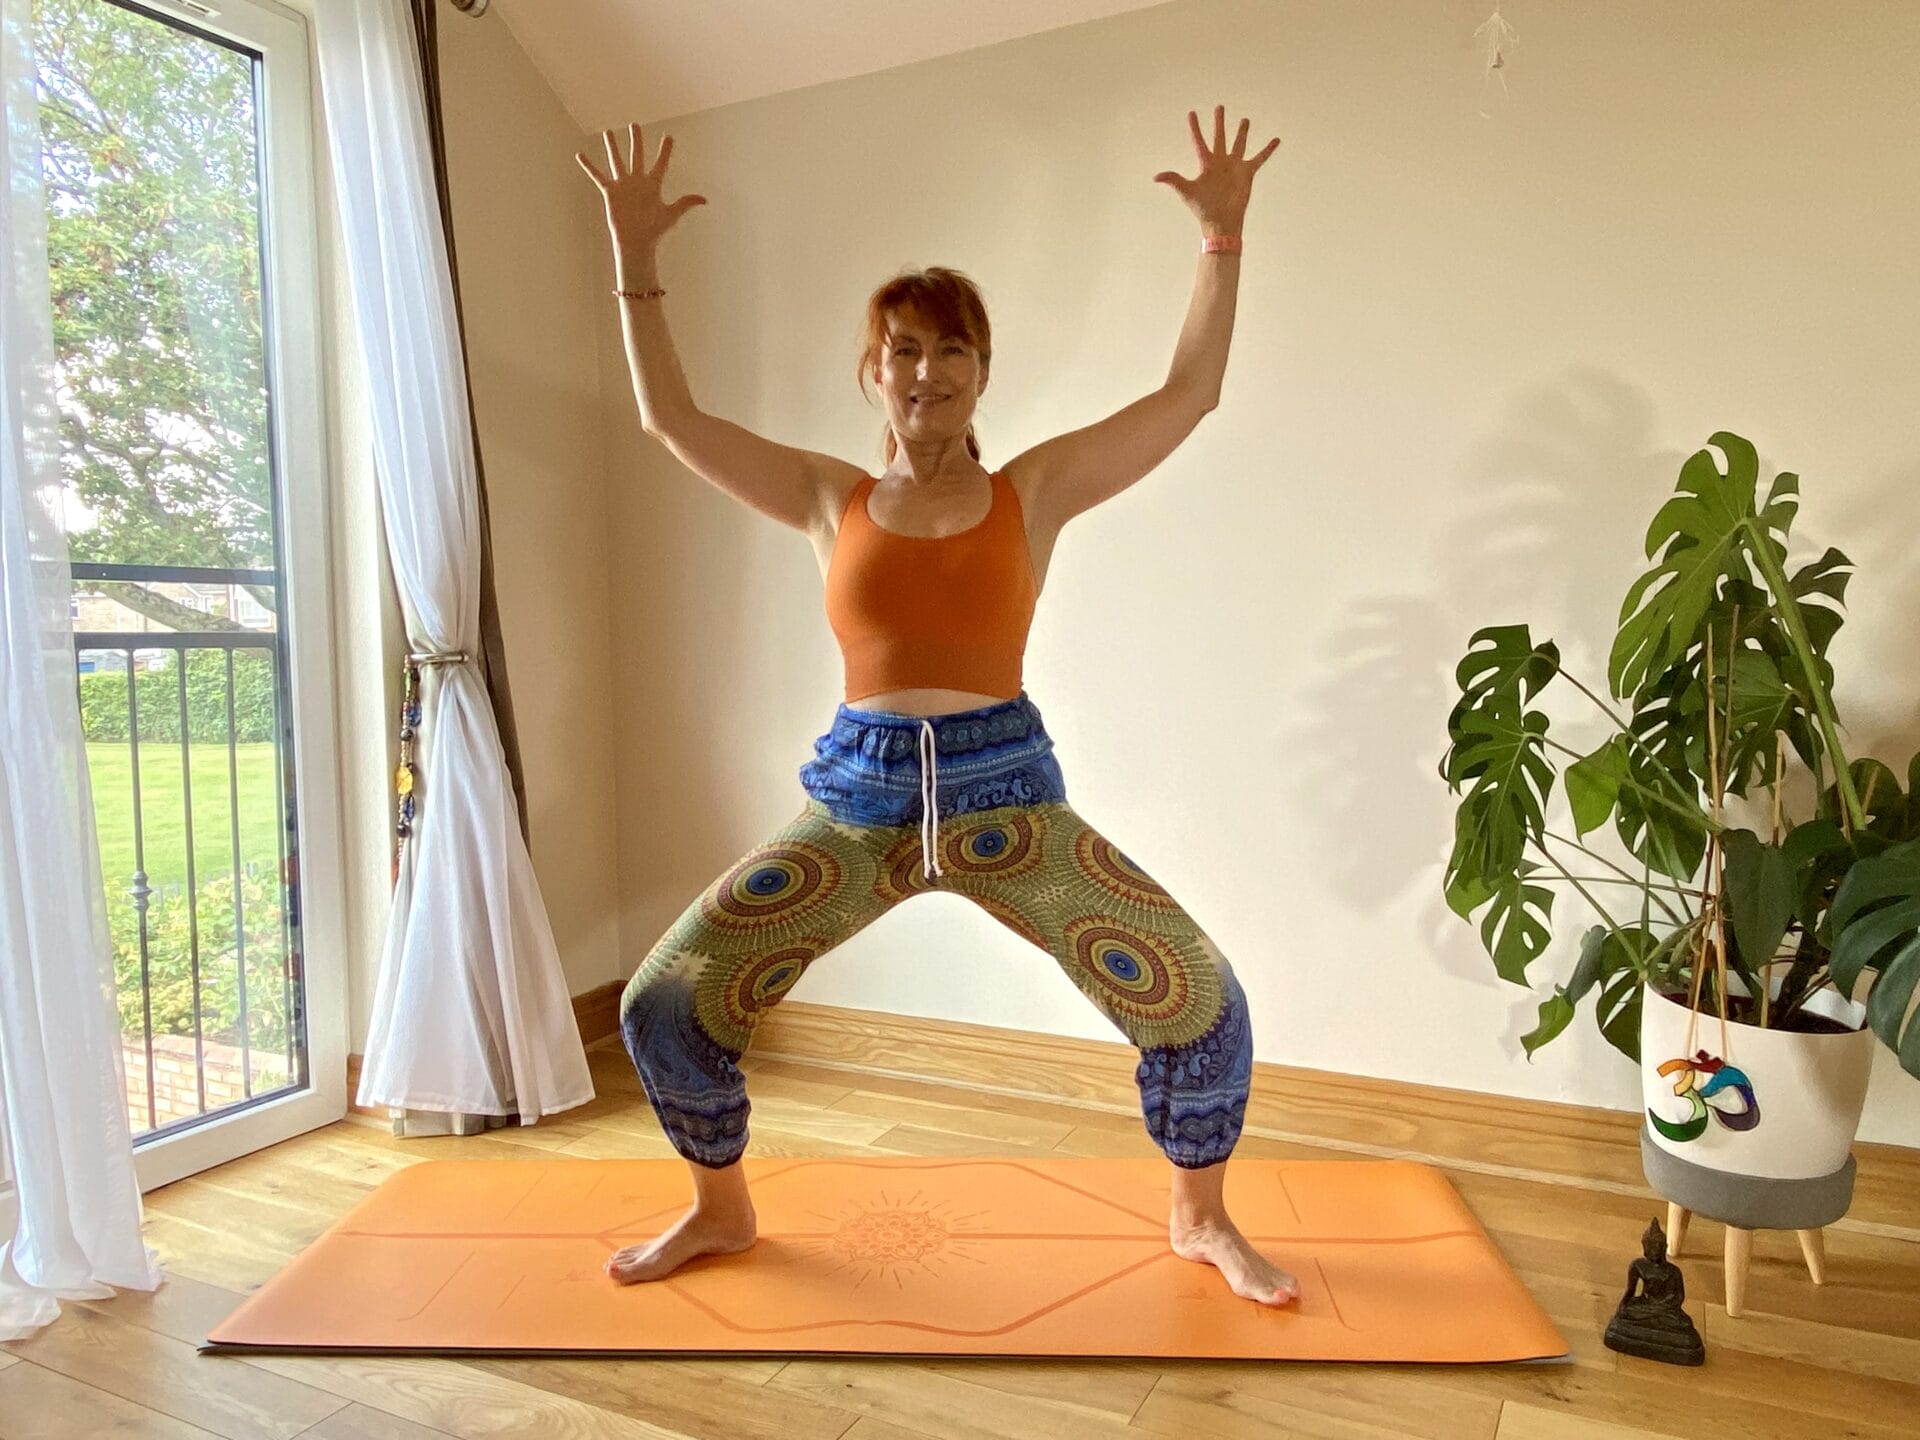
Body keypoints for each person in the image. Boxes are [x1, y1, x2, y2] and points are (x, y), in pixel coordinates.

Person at [574, 106, 1292, 1305]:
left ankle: (1200, 1221)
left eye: (951, 350)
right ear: (874, 370)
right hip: (855, 804)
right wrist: (637, 269)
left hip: (1007, 799)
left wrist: (1220, 240)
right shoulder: (825, 496)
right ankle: (720, 1213)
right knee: (665, 1001)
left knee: (1201, 998)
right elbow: (672, 421)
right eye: (903, 349)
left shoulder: (1035, 490)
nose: (926, 371)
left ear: (980, 372)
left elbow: (1190, 393)